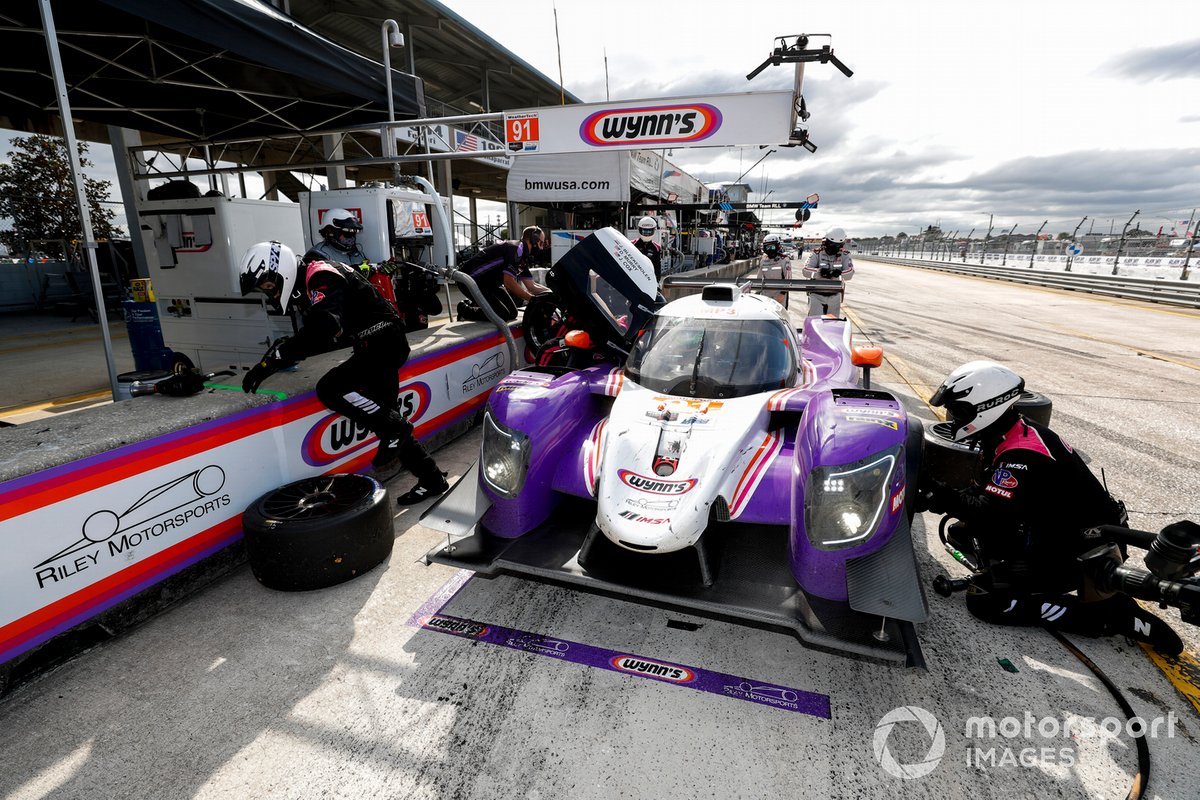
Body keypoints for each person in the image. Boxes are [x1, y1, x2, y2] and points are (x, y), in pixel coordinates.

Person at [924, 360, 1183, 655]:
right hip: (1054, 530)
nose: (953, 418)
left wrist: (936, 494)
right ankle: (1033, 573)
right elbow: (988, 495)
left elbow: (988, 512)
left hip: (1084, 552)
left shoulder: (1022, 453)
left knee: (985, 601)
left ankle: (1107, 616)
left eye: (959, 412)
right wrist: (940, 495)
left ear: (988, 408)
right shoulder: (1009, 432)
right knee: (964, 535)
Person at [239, 241, 449, 505]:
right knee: (388, 422)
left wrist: (276, 359)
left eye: (268, 286)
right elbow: (318, 333)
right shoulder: (311, 277)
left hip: (383, 342)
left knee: (331, 389)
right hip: (376, 343)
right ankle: (432, 480)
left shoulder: (320, 275)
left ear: (280, 270)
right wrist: (271, 362)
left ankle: (397, 431)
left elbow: (324, 327)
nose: (269, 294)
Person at [455, 226, 550, 322]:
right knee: (501, 314)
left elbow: (532, 286)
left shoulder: (522, 255)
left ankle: (476, 304)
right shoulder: (517, 249)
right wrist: (532, 299)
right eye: (541, 243)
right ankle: (464, 309)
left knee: (512, 313)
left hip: (489, 284)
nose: (541, 248)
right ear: (533, 239)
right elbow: (508, 282)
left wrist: (552, 294)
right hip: (470, 281)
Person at [802, 227, 854, 317]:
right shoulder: (817, 253)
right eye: (832, 245)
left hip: (834, 295)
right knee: (815, 321)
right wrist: (820, 272)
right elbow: (805, 270)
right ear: (826, 242)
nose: (835, 248)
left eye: (838, 246)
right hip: (816, 294)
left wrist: (838, 274)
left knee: (832, 324)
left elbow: (850, 272)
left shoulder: (845, 254)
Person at [757, 233, 791, 307]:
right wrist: (757, 292)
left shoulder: (784, 259)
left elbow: (788, 278)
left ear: (777, 246)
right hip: (765, 295)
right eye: (767, 247)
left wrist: (782, 293)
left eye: (772, 247)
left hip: (780, 294)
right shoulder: (763, 261)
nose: (770, 249)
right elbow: (759, 278)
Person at [631, 216, 663, 283]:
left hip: (648, 279)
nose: (647, 234)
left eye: (649, 231)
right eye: (644, 231)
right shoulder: (631, 244)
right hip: (634, 277)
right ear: (640, 230)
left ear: (654, 230)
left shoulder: (656, 247)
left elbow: (657, 266)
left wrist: (657, 282)